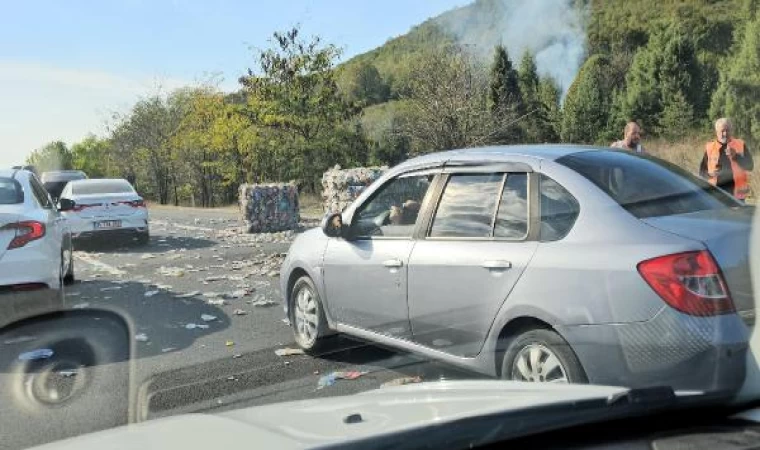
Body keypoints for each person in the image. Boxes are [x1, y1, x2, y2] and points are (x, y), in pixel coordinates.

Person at [699, 118, 754, 202]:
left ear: (731, 130)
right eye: (722, 131)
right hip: (716, 194)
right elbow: (702, 172)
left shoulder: (740, 144)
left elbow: (750, 166)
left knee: (737, 215)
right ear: (716, 132)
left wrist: (736, 156)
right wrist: (710, 174)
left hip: (737, 195)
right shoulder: (710, 148)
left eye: (727, 130)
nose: (725, 133)